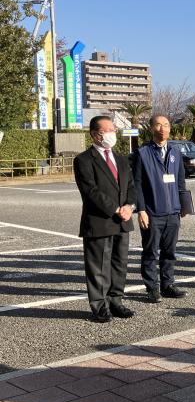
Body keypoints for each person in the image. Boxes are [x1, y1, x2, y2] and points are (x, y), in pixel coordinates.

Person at [73, 116, 136, 322]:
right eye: (107, 130)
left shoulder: (121, 159)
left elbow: (131, 187)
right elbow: (90, 191)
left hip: (122, 220)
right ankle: (99, 305)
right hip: (100, 220)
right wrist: (116, 209)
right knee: (98, 266)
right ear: (94, 134)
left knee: (119, 263)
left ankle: (116, 300)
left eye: (113, 130)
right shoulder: (83, 160)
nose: (112, 134)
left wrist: (129, 206)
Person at [130, 114, 188, 302]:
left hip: (173, 212)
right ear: (151, 128)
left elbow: (180, 181)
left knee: (170, 251)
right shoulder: (142, 153)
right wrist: (141, 210)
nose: (162, 128)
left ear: (171, 128)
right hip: (152, 212)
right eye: (158, 125)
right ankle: (151, 287)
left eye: (166, 125)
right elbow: (137, 184)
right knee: (150, 252)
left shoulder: (175, 152)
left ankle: (168, 284)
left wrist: (183, 205)